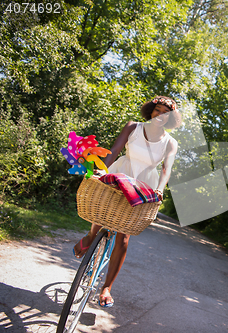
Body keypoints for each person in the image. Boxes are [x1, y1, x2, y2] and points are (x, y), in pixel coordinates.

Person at [73, 96, 182, 307]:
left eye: (165, 113)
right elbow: (114, 150)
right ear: (151, 111)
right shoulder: (133, 127)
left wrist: (159, 189)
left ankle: (106, 288)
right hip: (121, 172)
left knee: (123, 237)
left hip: (143, 183)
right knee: (103, 209)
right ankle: (91, 235)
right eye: (157, 110)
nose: (160, 115)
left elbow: (166, 169)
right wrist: (102, 170)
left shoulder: (170, 143)